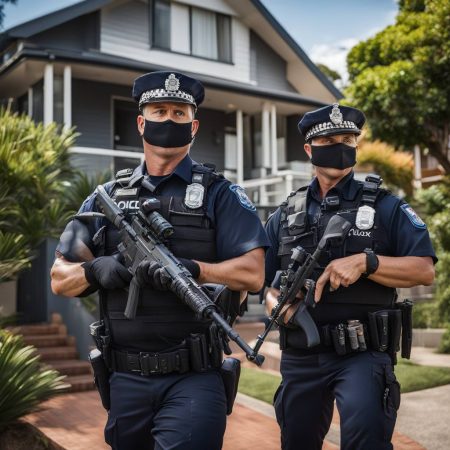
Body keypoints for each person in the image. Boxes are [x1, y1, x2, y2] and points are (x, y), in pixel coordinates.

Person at [50, 70, 269, 450]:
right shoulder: (106, 197)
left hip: (195, 376)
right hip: (125, 378)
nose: (169, 120)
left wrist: (196, 269)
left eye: (179, 113)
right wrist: (97, 270)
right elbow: (59, 278)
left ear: (194, 125)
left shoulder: (222, 195)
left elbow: (253, 273)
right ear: (141, 122)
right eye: (159, 110)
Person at [264, 103, 436, 450]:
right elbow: (264, 283)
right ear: (310, 149)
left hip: (362, 352)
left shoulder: (386, 206)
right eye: (330, 139)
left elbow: (424, 270)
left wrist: (366, 262)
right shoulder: (284, 215)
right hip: (301, 355)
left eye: (348, 138)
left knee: (365, 442)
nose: (342, 146)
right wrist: (278, 308)